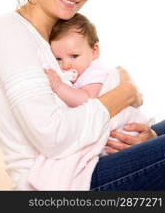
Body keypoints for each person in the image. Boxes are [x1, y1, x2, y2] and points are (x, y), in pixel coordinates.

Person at [0, 0, 164, 191]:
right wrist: (125, 92)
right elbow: (52, 137)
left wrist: (143, 137)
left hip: (88, 159)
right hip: (60, 185)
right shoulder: (9, 31)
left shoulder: (56, 36)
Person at [27, 13, 151, 190]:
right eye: (58, 59)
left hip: (125, 129)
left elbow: (89, 100)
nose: (66, 65)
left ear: (95, 51)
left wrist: (59, 87)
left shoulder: (95, 71)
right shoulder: (78, 72)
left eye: (74, 56)